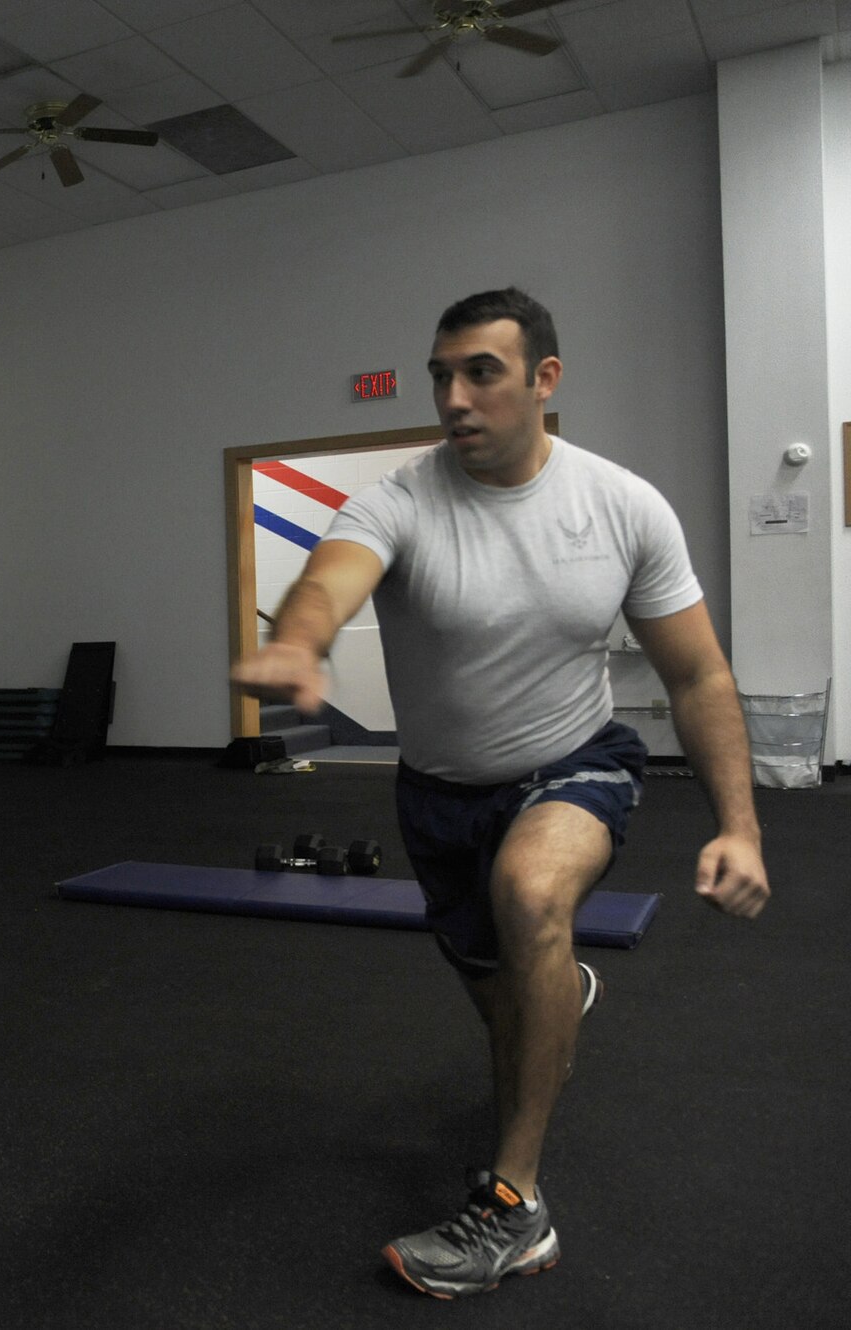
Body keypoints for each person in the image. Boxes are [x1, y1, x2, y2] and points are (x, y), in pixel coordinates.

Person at [230, 288, 768, 1299]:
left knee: (530, 894)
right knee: (507, 1011)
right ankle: (555, 995)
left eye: (479, 371)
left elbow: (696, 676)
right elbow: (327, 581)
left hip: (573, 762)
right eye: (441, 374)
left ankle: (513, 1207)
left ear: (541, 379)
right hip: (436, 797)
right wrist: (295, 642)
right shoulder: (397, 498)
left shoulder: (619, 505)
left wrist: (738, 826)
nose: (453, 397)